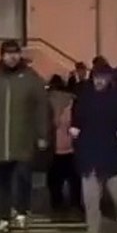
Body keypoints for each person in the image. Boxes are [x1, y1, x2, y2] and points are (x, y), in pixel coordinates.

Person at [0, 40, 50, 230]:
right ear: (2, 55)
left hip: (23, 138)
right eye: (8, 53)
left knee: (23, 176)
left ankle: (21, 212)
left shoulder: (31, 78)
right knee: (2, 181)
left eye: (15, 53)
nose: (12, 57)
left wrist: (42, 134)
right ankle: (4, 216)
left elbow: (41, 108)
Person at [70, 66, 117, 233]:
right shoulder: (84, 99)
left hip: (112, 156)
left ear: (109, 79)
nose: (99, 81)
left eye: (103, 77)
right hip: (91, 157)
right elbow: (76, 122)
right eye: (96, 77)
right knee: (91, 201)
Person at [46, 76, 80, 217]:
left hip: (53, 146)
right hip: (71, 145)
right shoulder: (72, 100)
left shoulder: (46, 101)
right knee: (74, 178)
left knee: (54, 180)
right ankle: (75, 203)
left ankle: (57, 203)